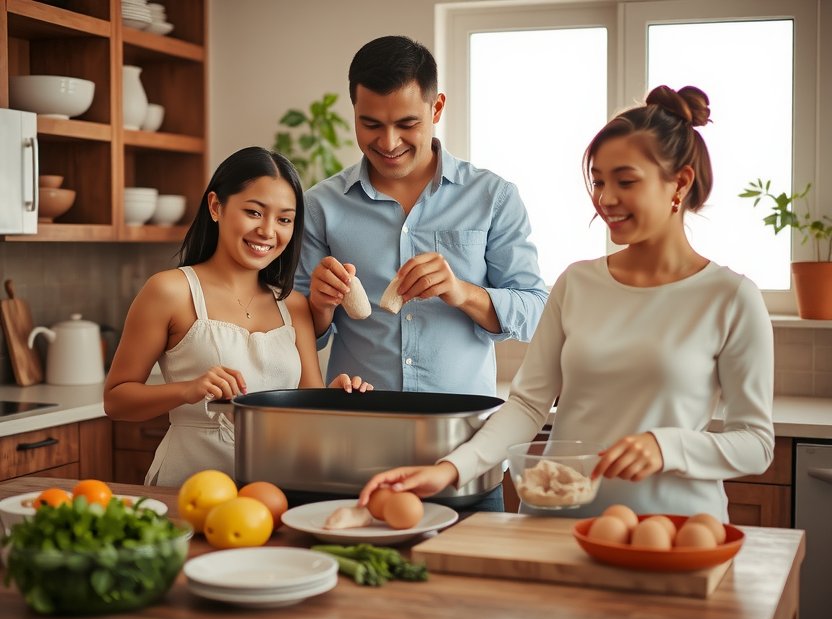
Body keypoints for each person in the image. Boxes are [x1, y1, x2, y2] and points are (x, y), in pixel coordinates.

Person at [359, 86, 775, 522]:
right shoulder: (577, 282)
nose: (605, 199)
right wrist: (449, 470)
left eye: (626, 181)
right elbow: (527, 406)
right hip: (561, 521)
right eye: (598, 181)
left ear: (681, 183)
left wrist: (665, 446)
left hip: (675, 530)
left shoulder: (730, 297)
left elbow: (755, 443)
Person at [295, 35, 548, 398]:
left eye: (406, 123)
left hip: (463, 433)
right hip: (359, 425)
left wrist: (461, 292)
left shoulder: (494, 197)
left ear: (437, 108)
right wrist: (319, 306)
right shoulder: (320, 206)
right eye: (371, 124)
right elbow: (299, 333)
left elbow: (534, 310)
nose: (389, 142)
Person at [104, 147, 372, 488]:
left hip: (274, 491)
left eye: (284, 219)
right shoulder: (170, 291)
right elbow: (116, 401)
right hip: (188, 488)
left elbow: (307, 414)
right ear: (216, 207)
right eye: (254, 212)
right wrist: (187, 390)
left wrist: (334, 400)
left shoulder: (294, 306)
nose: (268, 231)